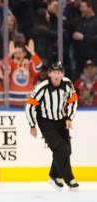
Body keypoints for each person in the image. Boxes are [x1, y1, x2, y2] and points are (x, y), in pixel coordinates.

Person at [25, 61, 79, 191]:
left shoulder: (67, 84)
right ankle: (69, 179)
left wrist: (69, 118)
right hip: (46, 122)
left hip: (61, 120)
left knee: (67, 150)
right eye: (54, 72)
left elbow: (73, 100)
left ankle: (54, 175)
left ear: (63, 73)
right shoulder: (42, 87)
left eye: (59, 72)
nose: (56, 75)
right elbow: (30, 106)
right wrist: (32, 125)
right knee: (62, 149)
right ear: (49, 73)